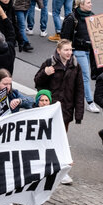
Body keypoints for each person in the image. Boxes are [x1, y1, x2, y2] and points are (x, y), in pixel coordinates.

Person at [34, 39, 83, 183]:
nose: (69, 52)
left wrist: (78, 114)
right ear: (58, 51)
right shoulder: (49, 63)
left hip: (65, 111)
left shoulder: (75, 66)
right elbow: (37, 82)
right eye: (66, 50)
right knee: (46, 139)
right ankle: (43, 167)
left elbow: (79, 90)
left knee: (61, 141)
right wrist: (45, 73)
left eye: (70, 50)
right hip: (49, 110)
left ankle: (61, 171)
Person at [60, 0, 100, 113]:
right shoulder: (72, 18)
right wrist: (68, 52)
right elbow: (65, 37)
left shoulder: (92, 17)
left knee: (77, 76)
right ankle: (89, 102)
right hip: (78, 51)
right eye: (88, 2)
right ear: (81, 4)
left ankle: (67, 95)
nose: (91, 4)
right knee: (86, 77)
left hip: (90, 52)